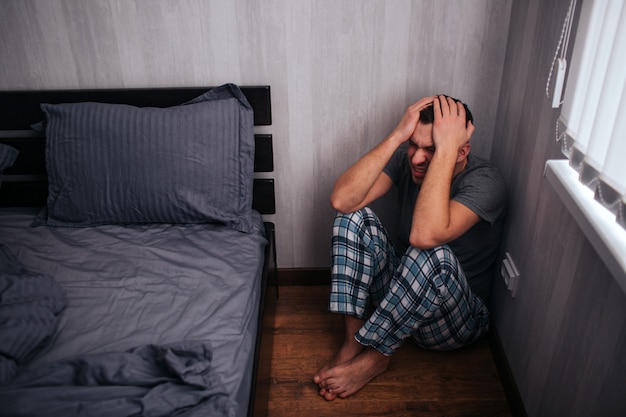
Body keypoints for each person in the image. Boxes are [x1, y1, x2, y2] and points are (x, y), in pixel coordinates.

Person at [312, 95, 507, 401]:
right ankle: (353, 343)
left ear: (461, 151)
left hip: (455, 320)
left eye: (430, 149)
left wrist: (446, 150)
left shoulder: (486, 181)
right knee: (352, 217)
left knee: (432, 252)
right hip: (402, 301)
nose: (416, 158)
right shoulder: (409, 158)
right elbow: (342, 200)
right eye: (414, 145)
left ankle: (376, 356)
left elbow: (425, 235)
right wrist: (397, 136)